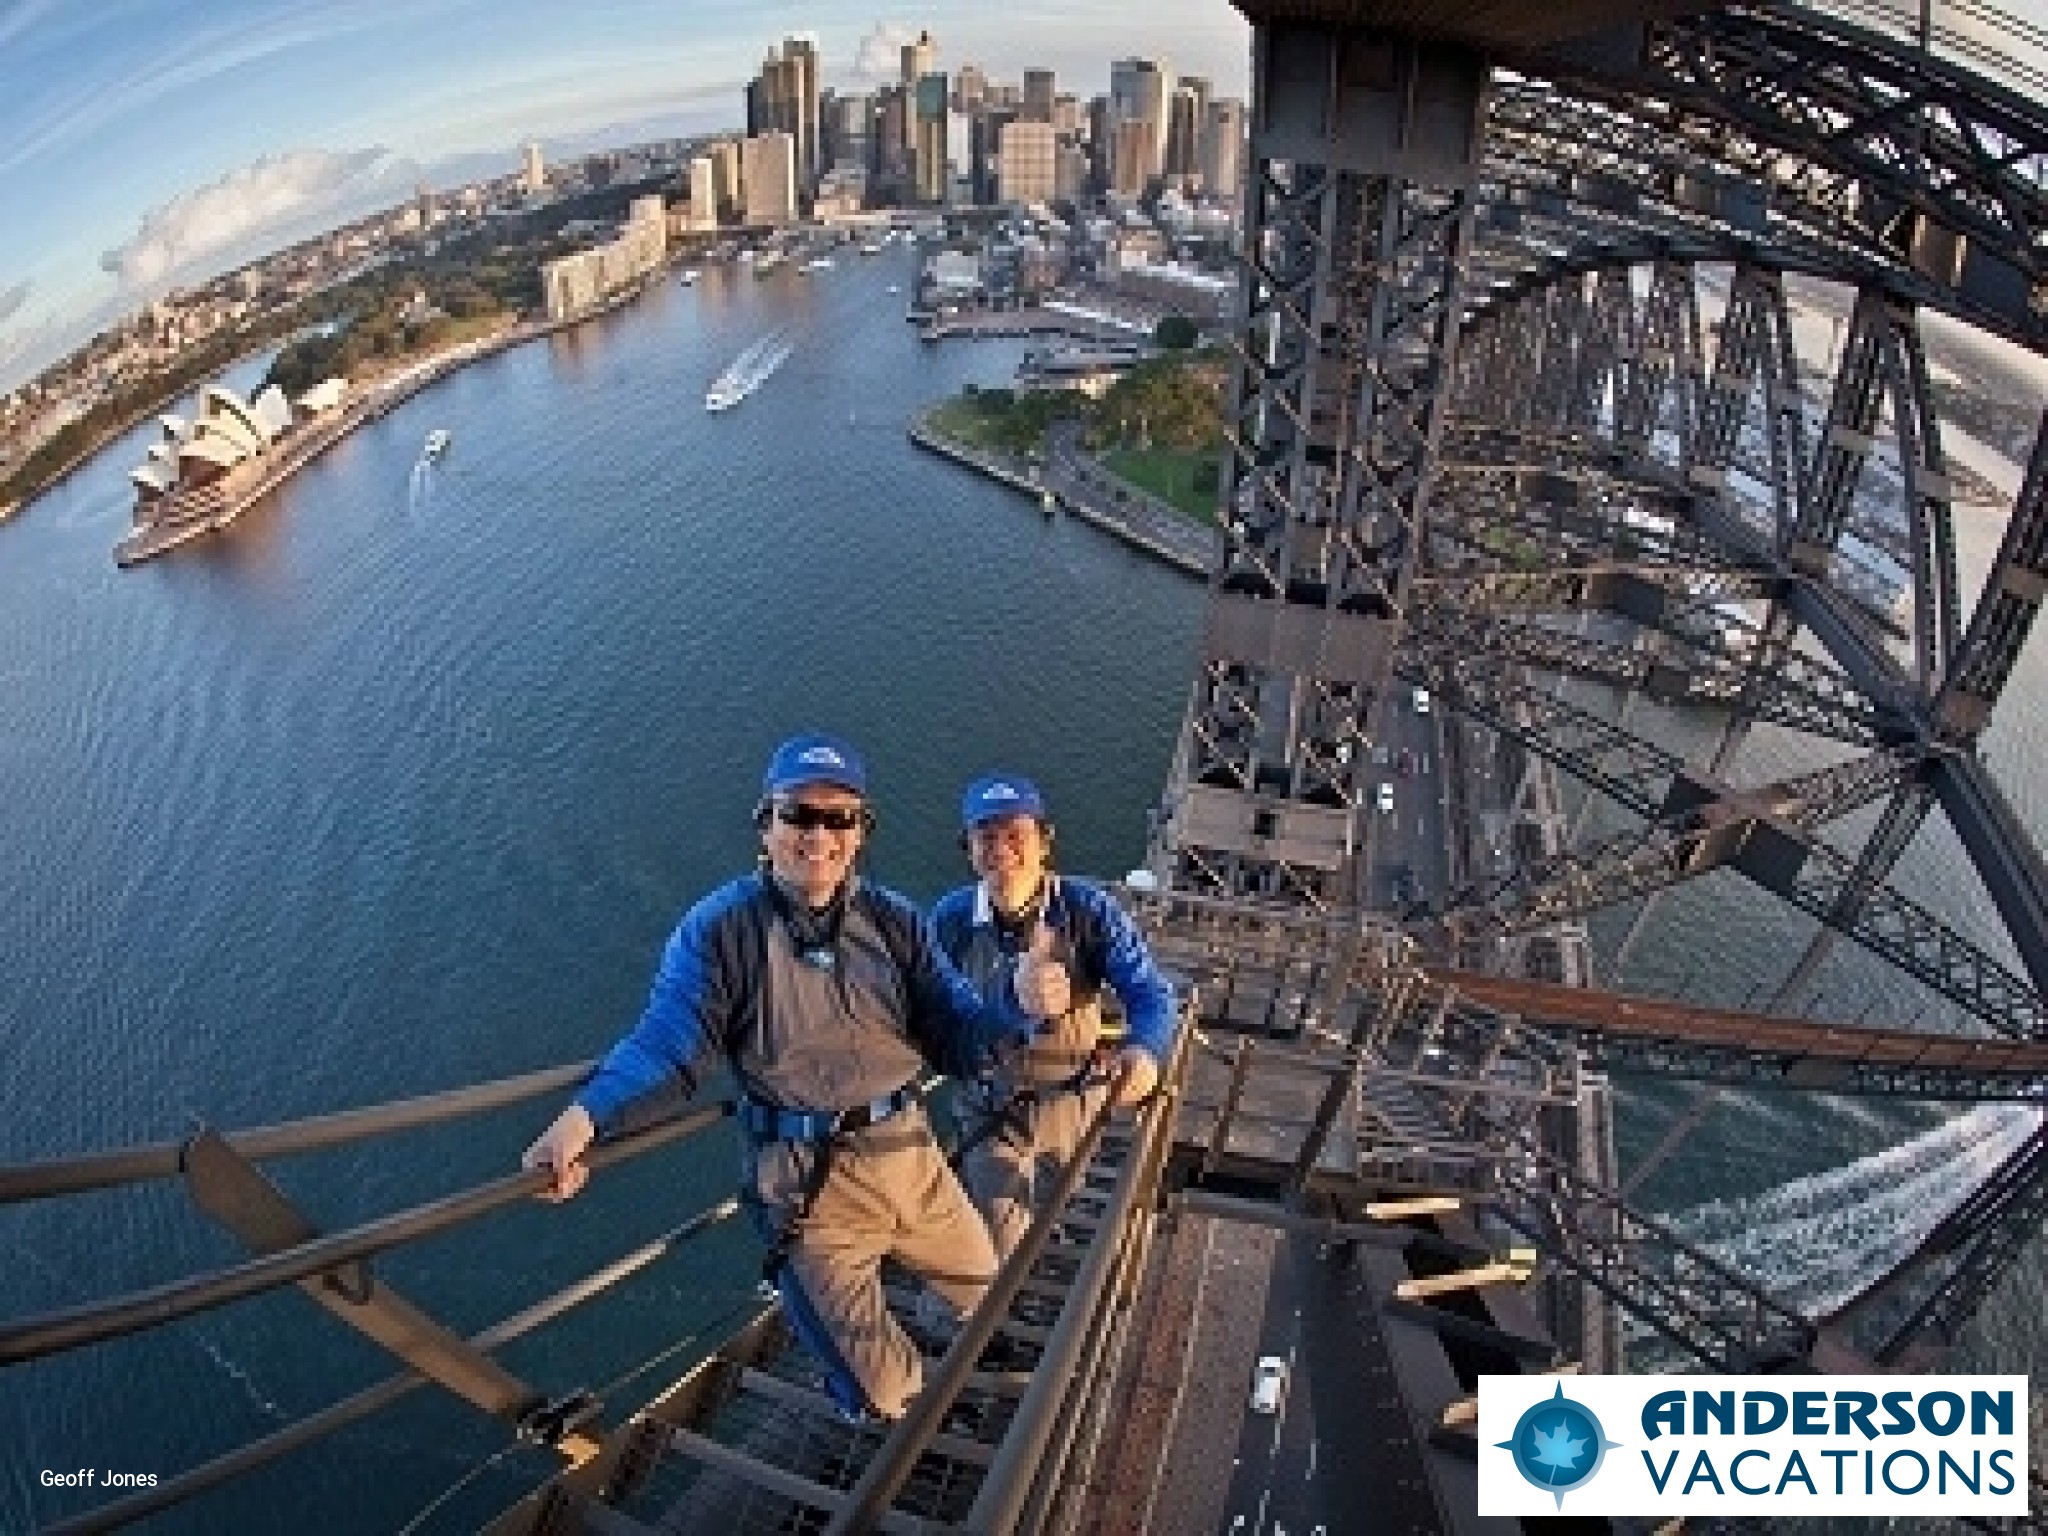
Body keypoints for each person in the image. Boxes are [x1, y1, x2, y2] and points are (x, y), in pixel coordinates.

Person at [522, 733, 1070, 1422]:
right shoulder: (722, 930)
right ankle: (920, 1413)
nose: (819, 835)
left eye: (839, 818)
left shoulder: (897, 922)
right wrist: (586, 1118)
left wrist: (1012, 1008)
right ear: (766, 824)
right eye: (799, 815)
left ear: (860, 832)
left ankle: (975, 1375)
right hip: (813, 1196)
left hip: (913, 1159)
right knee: (882, 1394)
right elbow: (670, 1044)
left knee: (988, 1292)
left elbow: (959, 1039)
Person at [930, 773, 1176, 1260]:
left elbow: (1150, 994)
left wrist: (1143, 1050)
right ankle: (963, 1319)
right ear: (969, 849)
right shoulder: (948, 921)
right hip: (989, 1106)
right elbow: (932, 1013)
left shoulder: (1089, 913)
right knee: (996, 1242)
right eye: (986, 837)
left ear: (1045, 841)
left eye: (1015, 835)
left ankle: (1045, 1235)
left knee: (1061, 1193)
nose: (1001, 849)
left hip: (1073, 1098)